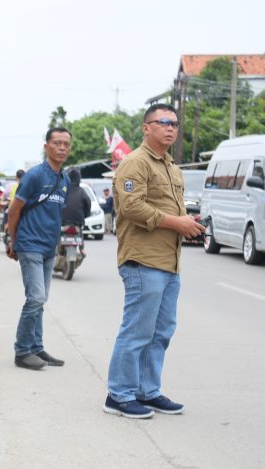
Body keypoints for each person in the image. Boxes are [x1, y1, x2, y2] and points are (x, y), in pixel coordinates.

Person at [103, 103, 205, 419]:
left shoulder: (171, 166)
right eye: (163, 122)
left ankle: (147, 391)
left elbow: (167, 208)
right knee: (137, 330)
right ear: (147, 128)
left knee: (160, 331)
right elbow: (131, 207)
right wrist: (177, 223)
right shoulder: (135, 163)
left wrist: (188, 220)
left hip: (169, 260)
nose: (170, 127)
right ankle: (118, 395)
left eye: (174, 123)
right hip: (143, 259)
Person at [6, 128, 72, 370]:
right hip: (29, 244)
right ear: (47, 146)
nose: (62, 147)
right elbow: (14, 211)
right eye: (57, 143)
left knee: (40, 300)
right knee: (35, 298)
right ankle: (22, 351)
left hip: (48, 248)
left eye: (66, 144)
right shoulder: (34, 176)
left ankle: (36, 347)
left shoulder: (64, 179)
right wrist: (14, 241)